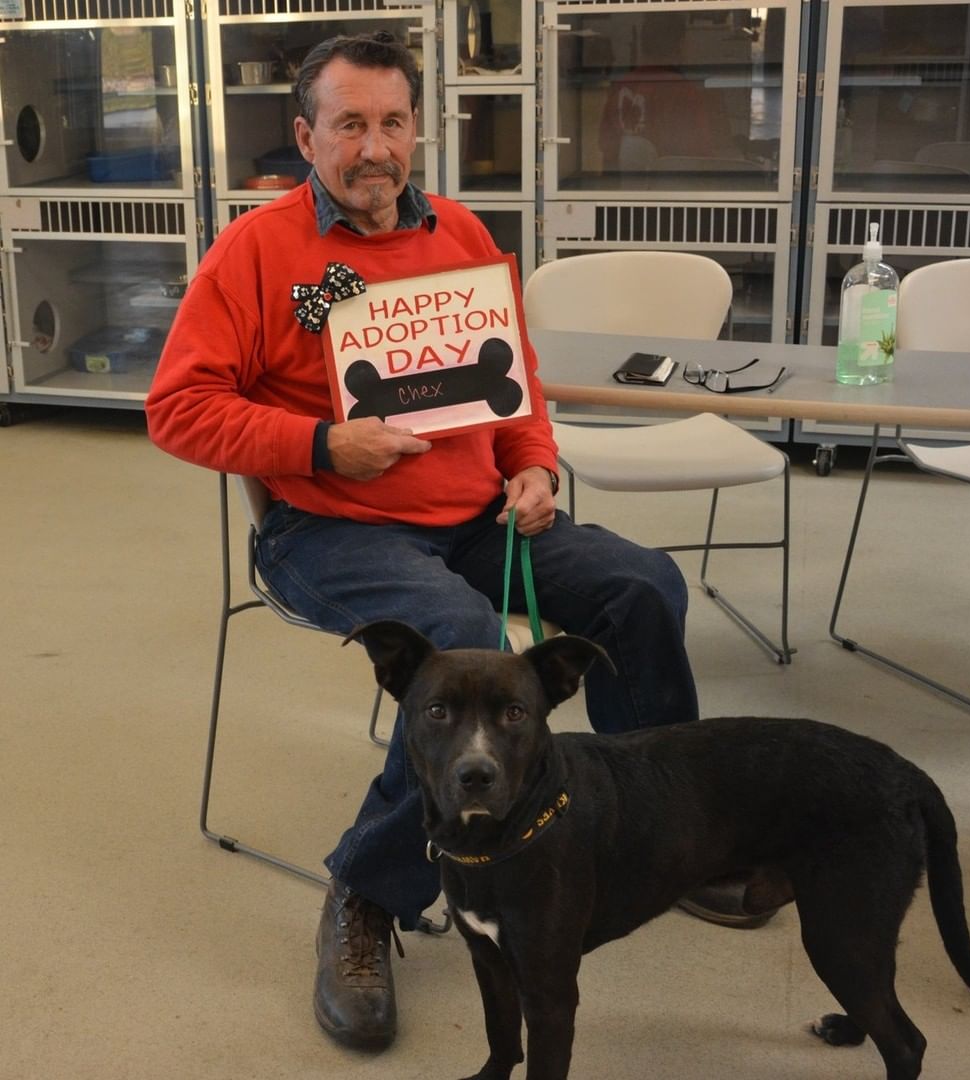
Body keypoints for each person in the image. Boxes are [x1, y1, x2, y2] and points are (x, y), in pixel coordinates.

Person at [146, 31, 769, 1054]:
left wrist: (532, 466)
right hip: (328, 526)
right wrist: (315, 441)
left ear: (416, 132)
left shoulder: (464, 235)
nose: (375, 147)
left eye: (393, 123)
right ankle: (367, 894)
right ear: (307, 136)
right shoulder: (254, 252)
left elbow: (512, 387)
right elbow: (177, 409)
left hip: (479, 514)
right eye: (349, 124)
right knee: (457, 634)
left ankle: (664, 838)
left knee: (642, 585)